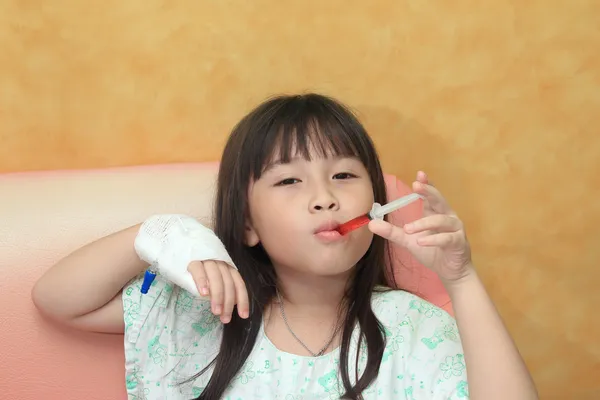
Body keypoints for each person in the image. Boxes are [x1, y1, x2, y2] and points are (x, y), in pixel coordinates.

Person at [32, 93, 538, 400]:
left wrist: (462, 279)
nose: (324, 198)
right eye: (289, 181)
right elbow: (58, 299)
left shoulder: (414, 328)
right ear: (247, 225)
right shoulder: (207, 308)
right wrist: (161, 232)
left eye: (343, 175)